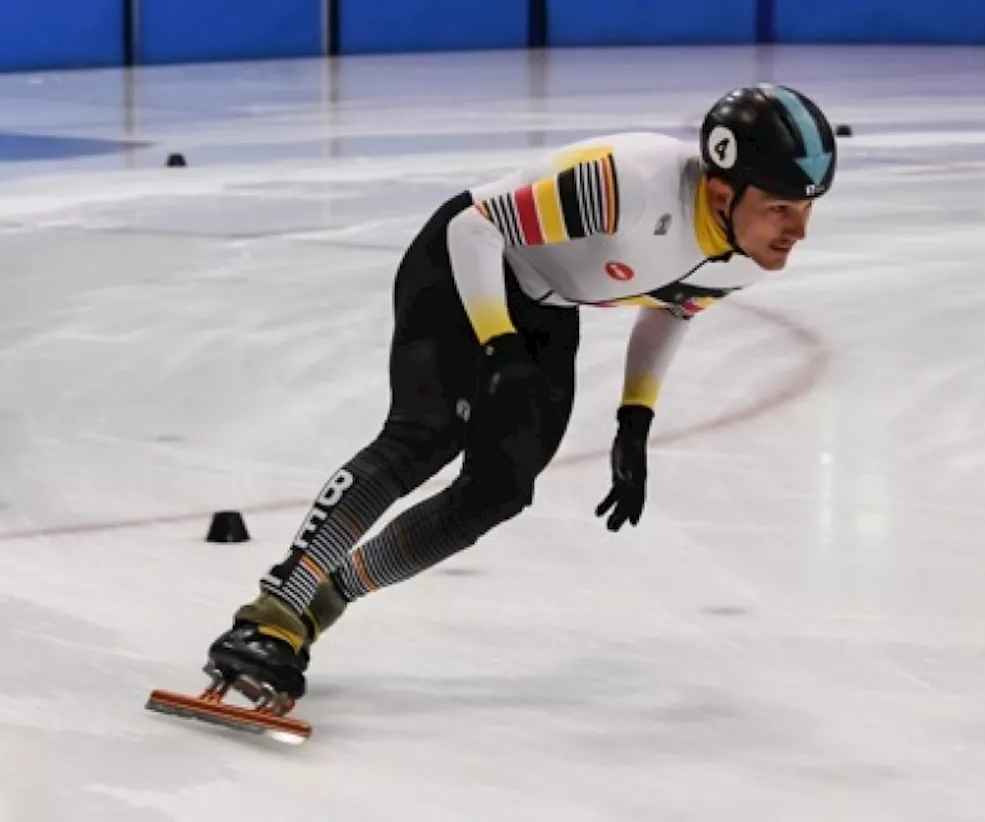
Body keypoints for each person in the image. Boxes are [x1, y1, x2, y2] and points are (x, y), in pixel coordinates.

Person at [203, 83, 840, 707]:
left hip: (546, 304)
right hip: (465, 268)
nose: (799, 231)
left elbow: (672, 309)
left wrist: (635, 419)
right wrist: (498, 345)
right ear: (723, 192)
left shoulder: (749, 251)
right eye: (782, 207)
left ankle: (313, 610)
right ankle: (269, 613)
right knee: (426, 435)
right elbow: (473, 231)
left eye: (810, 208)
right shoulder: (628, 187)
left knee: (498, 491)